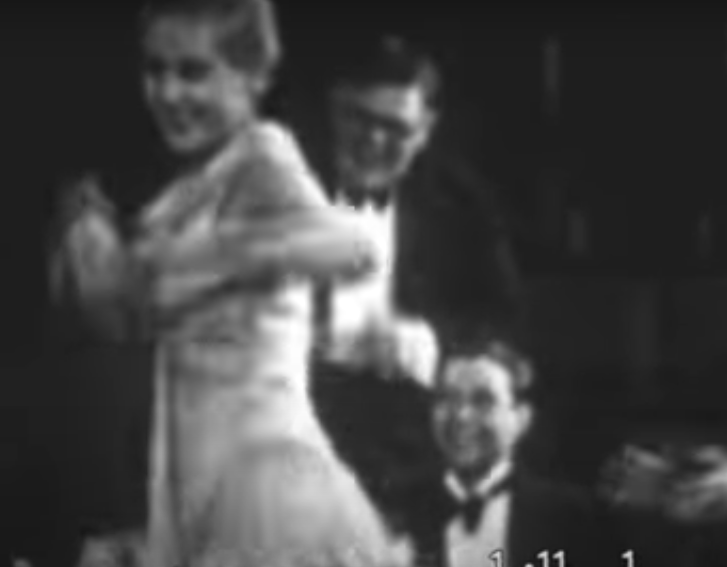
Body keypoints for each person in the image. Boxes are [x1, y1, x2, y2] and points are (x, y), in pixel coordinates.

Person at [49, 0, 404, 565]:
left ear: (254, 77)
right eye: (155, 70)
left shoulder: (261, 153)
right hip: (195, 487)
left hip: (266, 482)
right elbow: (119, 311)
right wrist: (84, 229)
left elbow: (354, 248)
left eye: (193, 71)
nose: (169, 93)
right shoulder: (184, 195)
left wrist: (224, 255)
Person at [310, 36, 521, 514]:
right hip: (293, 440)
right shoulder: (275, 189)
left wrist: (426, 344)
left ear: (425, 130)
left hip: (418, 453)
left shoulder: (463, 206)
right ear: (334, 108)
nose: (372, 141)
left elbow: (505, 325)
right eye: (358, 118)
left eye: (395, 128)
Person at [388, 339, 618, 567]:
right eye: (448, 398)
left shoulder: (570, 519)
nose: (462, 416)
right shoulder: (397, 510)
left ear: (521, 419)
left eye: (483, 401)